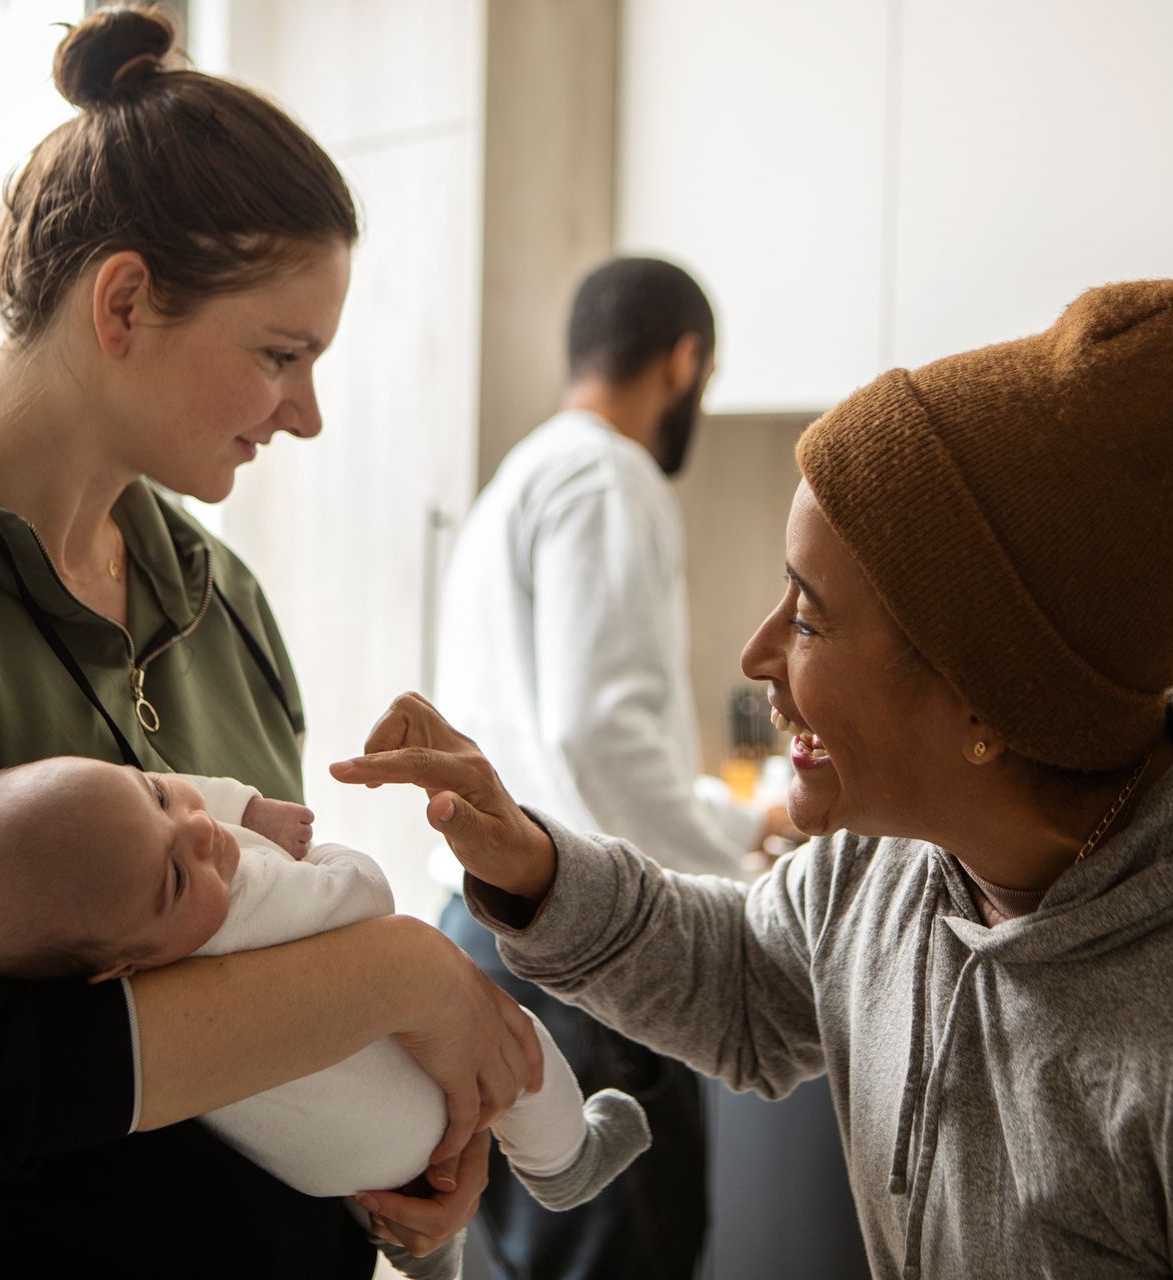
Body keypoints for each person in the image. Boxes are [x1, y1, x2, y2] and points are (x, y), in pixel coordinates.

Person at [338, 279, 1173, 1277]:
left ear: (984, 700)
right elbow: (751, 978)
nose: (759, 657)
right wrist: (533, 864)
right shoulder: (896, 864)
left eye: (809, 616)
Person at [0, 9, 538, 1276]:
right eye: (279, 354)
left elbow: (269, 996)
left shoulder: (224, 603)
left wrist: (410, 1160)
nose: (304, 415)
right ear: (127, 300)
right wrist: (404, 977)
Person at [0, 756, 653, 1280]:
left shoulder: (122, 929)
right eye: (178, 876)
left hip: (333, 1172)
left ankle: (424, 1248)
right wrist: (329, 855)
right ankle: (566, 1160)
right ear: (118, 967)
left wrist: (240, 805)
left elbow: (169, 799)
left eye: (158, 796)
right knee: (520, 1044)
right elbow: (364, 898)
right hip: (378, 1126)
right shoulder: (244, 909)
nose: (202, 835)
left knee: (407, 1158)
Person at [431, 256, 793, 1278]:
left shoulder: (524, 474)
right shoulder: (611, 475)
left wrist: (726, 826)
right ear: (685, 361)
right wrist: (736, 858)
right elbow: (601, 732)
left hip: (490, 923)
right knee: (622, 1251)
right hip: (578, 950)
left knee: (539, 1252)